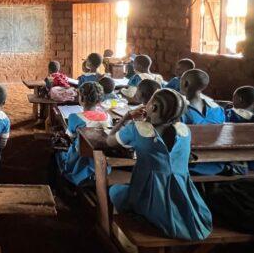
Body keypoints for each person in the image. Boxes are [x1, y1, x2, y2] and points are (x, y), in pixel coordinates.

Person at [104, 89, 213, 241]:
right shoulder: (185, 131)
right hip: (182, 194)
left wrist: (126, 117)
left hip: (149, 194)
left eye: (149, 102)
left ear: (153, 107)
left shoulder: (137, 129)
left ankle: (126, 232)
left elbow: (109, 141)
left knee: (115, 191)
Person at [55, 82, 111, 186]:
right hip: (102, 163)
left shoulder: (74, 117)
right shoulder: (108, 117)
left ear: (81, 99)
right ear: (99, 100)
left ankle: (61, 185)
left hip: (79, 162)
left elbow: (70, 137)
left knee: (58, 153)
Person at [179, 69, 227, 175]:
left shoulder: (180, 110)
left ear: (185, 83)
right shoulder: (218, 109)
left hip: (190, 161)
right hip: (217, 161)